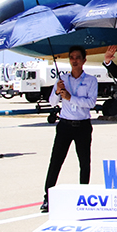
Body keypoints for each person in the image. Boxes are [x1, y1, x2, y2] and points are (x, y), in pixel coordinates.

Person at [41, 46, 97, 213]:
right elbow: (52, 102)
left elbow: (91, 103)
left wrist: (70, 98)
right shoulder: (62, 79)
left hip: (82, 125)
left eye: (78, 57)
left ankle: (83, 194)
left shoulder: (91, 80)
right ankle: (47, 196)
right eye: (72, 57)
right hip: (65, 125)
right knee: (56, 161)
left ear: (83, 60)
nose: (74, 60)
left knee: (84, 162)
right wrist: (58, 91)